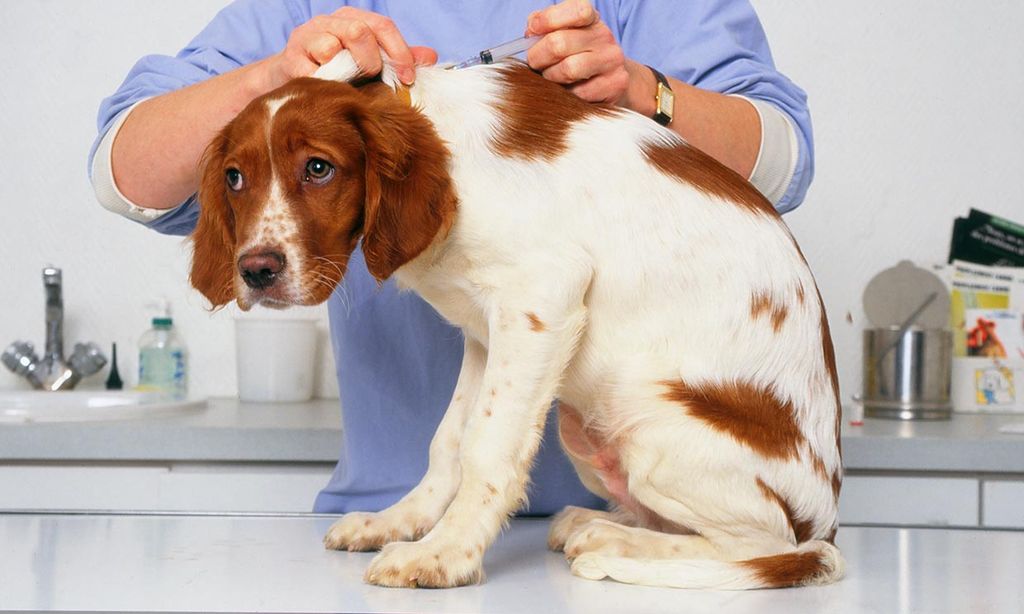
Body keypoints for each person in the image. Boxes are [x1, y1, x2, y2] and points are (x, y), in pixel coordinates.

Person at [89, 0, 814, 515]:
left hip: (627, 508)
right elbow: (121, 170)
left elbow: (783, 161)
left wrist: (642, 92)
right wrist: (269, 81)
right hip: (392, 510)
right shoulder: (310, 5)